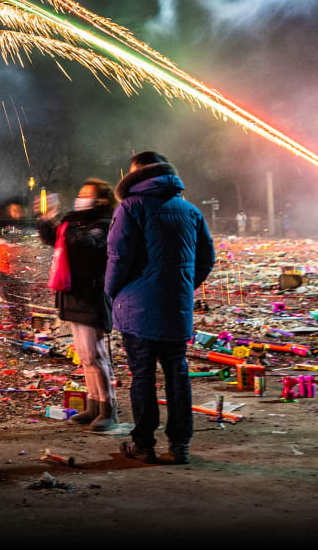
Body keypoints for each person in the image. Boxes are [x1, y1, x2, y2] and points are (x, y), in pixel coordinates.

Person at [107, 152, 214, 464]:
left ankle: (144, 444)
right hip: (175, 308)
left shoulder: (130, 207)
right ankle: (180, 446)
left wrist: (112, 293)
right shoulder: (190, 211)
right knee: (177, 374)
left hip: (138, 310)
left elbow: (118, 258)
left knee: (142, 375)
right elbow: (206, 258)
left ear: (138, 175)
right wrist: (181, 286)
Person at [37, 179, 118, 431]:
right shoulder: (77, 223)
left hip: (91, 296)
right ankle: (93, 405)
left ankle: (108, 409)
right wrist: (47, 218)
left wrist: (66, 224)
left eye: (86, 195)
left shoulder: (104, 225)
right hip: (74, 295)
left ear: (101, 200)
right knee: (84, 357)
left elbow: (86, 247)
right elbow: (53, 237)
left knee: (96, 355)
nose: (80, 198)